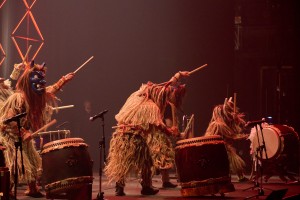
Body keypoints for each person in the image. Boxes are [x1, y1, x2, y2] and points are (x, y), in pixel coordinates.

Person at [104, 71, 188, 196]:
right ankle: (146, 187)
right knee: (147, 162)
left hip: (120, 136)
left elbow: (163, 88)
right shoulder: (151, 107)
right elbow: (159, 126)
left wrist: (177, 76)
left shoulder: (134, 97)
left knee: (121, 163)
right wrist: (172, 132)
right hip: (135, 139)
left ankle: (119, 188)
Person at [0, 61, 74, 198]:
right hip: (10, 136)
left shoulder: (35, 96)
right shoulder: (18, 98)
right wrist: (23, 132)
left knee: (33, 164)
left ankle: (32, 188)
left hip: (24, 136)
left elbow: (49, 91)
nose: (41, 85)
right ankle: (7, 190)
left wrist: (63, 80)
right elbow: (9, 121)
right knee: (16, 164)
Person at [204, 97, 249, 182]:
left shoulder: (222, 123)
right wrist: (242, 136)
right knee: (233, 158)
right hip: (216, 148)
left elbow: (232, 131)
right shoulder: (218, 124)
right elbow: (231, 135)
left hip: (221, 146)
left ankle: (240, 176)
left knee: (234, 158)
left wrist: (235, 120)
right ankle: (238, 177)